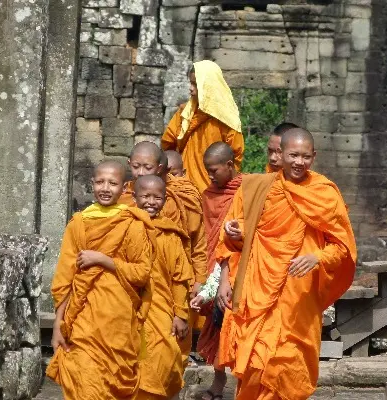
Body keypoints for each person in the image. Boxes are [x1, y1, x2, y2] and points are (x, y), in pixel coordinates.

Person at [215, 128, 357, 400]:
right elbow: (246, 235)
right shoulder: (259, 188)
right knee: (257, 361)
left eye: (305, 157)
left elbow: (343, 247)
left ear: (314, 157)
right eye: (293, 155)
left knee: (289, 363)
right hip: (257, 293)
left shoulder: (324, 193)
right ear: (281, 154)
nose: (298, 162)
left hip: (298, 297)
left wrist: (316, 257)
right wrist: (237, 233)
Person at [46, 160, 152, 399]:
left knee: (114, 383)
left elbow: (142, 272)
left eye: (113, 183)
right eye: (101, 182)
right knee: (83, 378)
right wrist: (58, 325)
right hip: (83, 319)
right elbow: (65, 277)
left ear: (125, 187)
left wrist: (105, 260)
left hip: (118, 322)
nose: (106, 188)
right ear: (91, 184)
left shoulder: (132, 224)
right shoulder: (78, 224)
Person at [121, 141, 208, 366]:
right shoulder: (123, 196)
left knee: (170, 354)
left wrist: (199, 280)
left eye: (147, 168)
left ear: (161, 168)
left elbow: (197, 243)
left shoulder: (183, 196)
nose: (140, 173)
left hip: (173, 283)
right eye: (136, 167)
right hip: (130, 286)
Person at [189, 142, 243, 400]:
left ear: (230, 165)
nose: (210, 176)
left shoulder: (245, 191)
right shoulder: (208, 195)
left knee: (240, 329)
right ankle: (219, 384)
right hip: (212, 268)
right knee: (217, 328)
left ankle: (245, 386)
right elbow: (203, 236)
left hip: (238, 267)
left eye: (214, 170)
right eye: (207, 171)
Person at [132, 175, 193, 400]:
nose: (151, 202)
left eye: (157, 197)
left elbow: (180, 278)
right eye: (146, 196)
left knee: (164, 355)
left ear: (165, 200)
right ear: (134, 197)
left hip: (161, 308)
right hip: (129, 309)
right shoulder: (125, 228)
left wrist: (181, 314)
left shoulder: (170, 234)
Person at [161, 60, 244, 193]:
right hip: (182, 187)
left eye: (195, 84)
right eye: (190, 83)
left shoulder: (228, 120)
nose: (191, 88)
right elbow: (168, 144)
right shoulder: (185, 113)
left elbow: (234, 159)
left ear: (208, 86)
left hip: (215, 189)